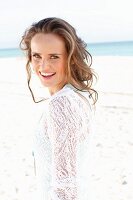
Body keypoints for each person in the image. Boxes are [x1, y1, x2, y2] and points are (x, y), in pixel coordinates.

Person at [20, 17, 98, 200]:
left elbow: (66, 186)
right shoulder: (77, 95)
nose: (43, 66)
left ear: (71, 58)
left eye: (54, 57)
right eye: (37, 56)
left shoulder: (62, 104)